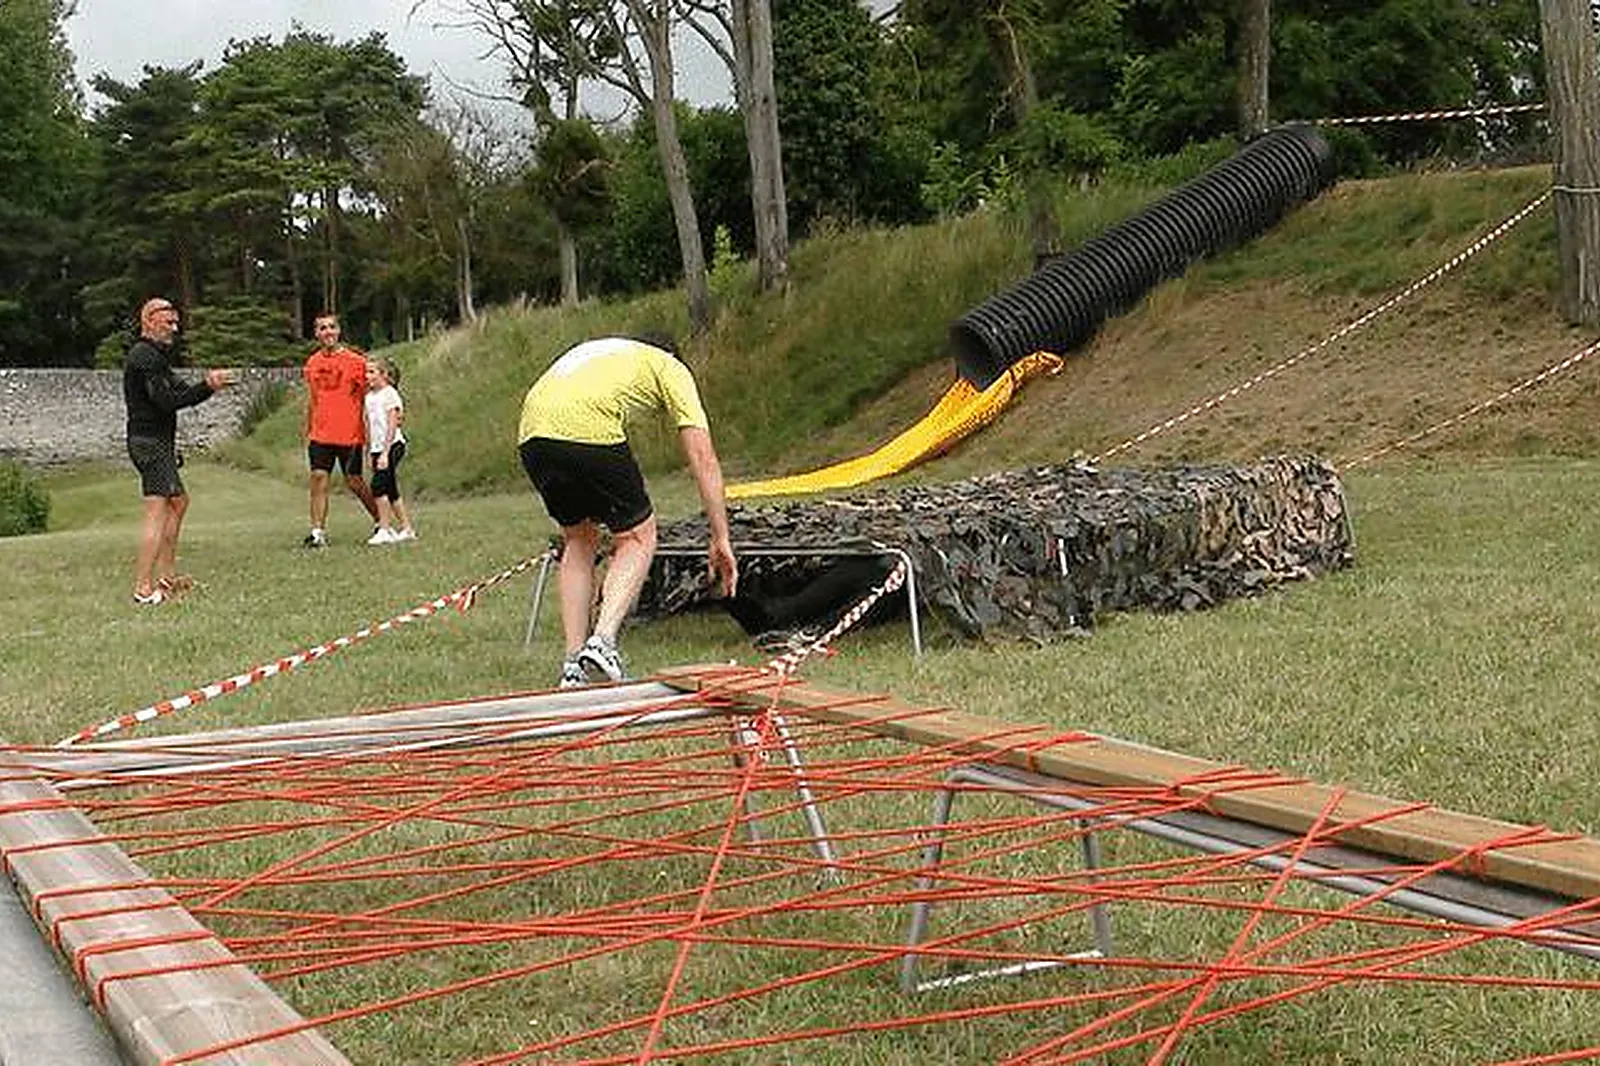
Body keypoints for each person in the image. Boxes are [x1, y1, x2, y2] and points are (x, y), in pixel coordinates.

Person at [518, 333, 738, 687]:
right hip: (585, 425)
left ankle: (573, 664)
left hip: (531, 432)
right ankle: (603, 642)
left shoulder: (609, 351)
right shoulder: (671, 367)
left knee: (578, 538)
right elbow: (702, 457)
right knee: (638, 535)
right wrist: (721, 536)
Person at [122, 297, 236, 605]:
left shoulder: (156, 357)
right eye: (168, 322)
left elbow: (181, 392)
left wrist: (207, 386)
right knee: (157, 510)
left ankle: (166, 578)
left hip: (155, 442)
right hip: (149, 444)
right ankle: (144, 588)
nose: (175, 327)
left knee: (178, 502)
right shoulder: (144, 356)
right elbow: (166, 402)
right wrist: (207, 386)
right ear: (148, 320)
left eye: (175, 322)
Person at [302, 311, 380, 547]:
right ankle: (317, 533)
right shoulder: (312, 363)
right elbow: (313, 398)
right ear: (316, 333)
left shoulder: (357, 362)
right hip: (320, 433)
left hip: (350, 434)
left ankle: (381, 520)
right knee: (318, 478)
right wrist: (308, 427)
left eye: (331, 327)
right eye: (322, 328)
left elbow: (372, 395)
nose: (327, 332)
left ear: (339, 331)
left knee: (354, 481)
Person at [363, 356, 416, 545]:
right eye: (366, 372)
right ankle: (407, 528)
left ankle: (385, 529)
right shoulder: (369, 398)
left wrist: (385, 453)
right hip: (377, 448)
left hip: (393, 445)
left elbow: (392, 424)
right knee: (391, 489)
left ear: (383, 375)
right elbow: (369, 426)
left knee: (378, 486)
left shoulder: (389, 394)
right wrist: (369, 452)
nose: (367, 376)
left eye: (371, 372)